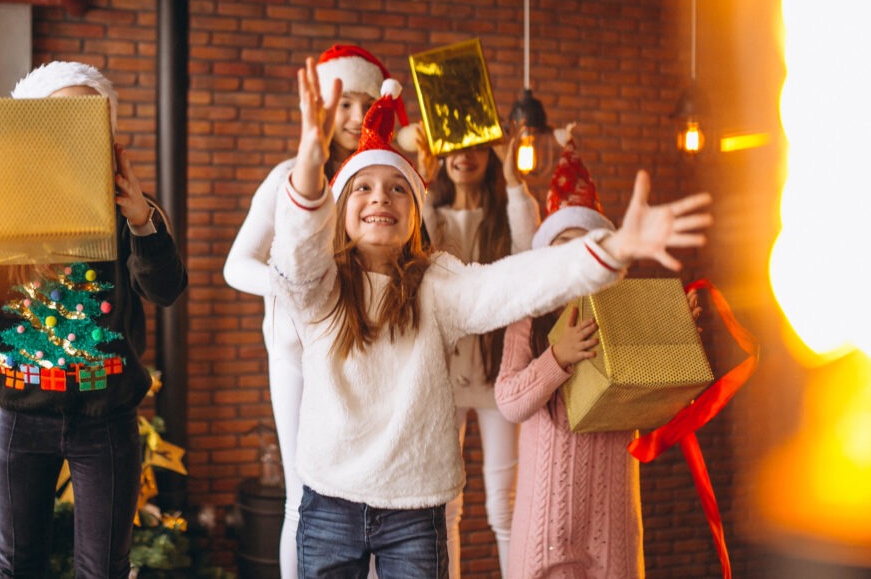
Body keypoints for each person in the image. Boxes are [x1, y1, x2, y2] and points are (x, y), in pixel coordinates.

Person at [272, 58, 712, 578]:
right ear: (341, 206)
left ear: (415, 213)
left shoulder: (438, 284)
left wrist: (611, 248)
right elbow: (297, 249)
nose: (380, 198)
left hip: (415, 508)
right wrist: (309, 157)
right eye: (363, 188)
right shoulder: (318, 285)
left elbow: (515, 283)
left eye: (396, 188)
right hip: (330, 500)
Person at [0, 61, 187, 579]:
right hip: (22, 419)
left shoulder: (131, 209)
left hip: (106, 424)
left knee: (104, 570)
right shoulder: (5, 211)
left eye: (89, 115)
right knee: (16, 565)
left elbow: (165, 289)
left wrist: (141, 220)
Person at [493, 130, 700, 579]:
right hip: (545, 530)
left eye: (586, 245)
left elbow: (658, 408)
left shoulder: (624, 312)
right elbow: (508, 401)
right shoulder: (528, 315)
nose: (574, 257)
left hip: (613, 526)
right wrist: (557, 358)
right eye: (562, 245)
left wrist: (675, 336)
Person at [223, 44, 394, 577]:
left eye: (363, 105)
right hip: (298, 353)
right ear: (320, 106)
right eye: (341, 103)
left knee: (367, 494)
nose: (350, 116)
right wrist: (290, 287)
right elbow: (236, 265)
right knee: (304, 495)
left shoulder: (384, 184)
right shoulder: (285, 180)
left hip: (364, 353)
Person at [419, 134, 539, 578]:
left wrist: (514, 182)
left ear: (491, 154)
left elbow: (532, 258)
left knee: (502, 505)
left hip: (498, 376)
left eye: (475, 147)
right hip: (441, 379)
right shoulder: (432, 213)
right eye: (453, 148)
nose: (463, 157)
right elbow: (413, 252)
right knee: (445, 507)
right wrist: (421, 177)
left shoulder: (505, 216)